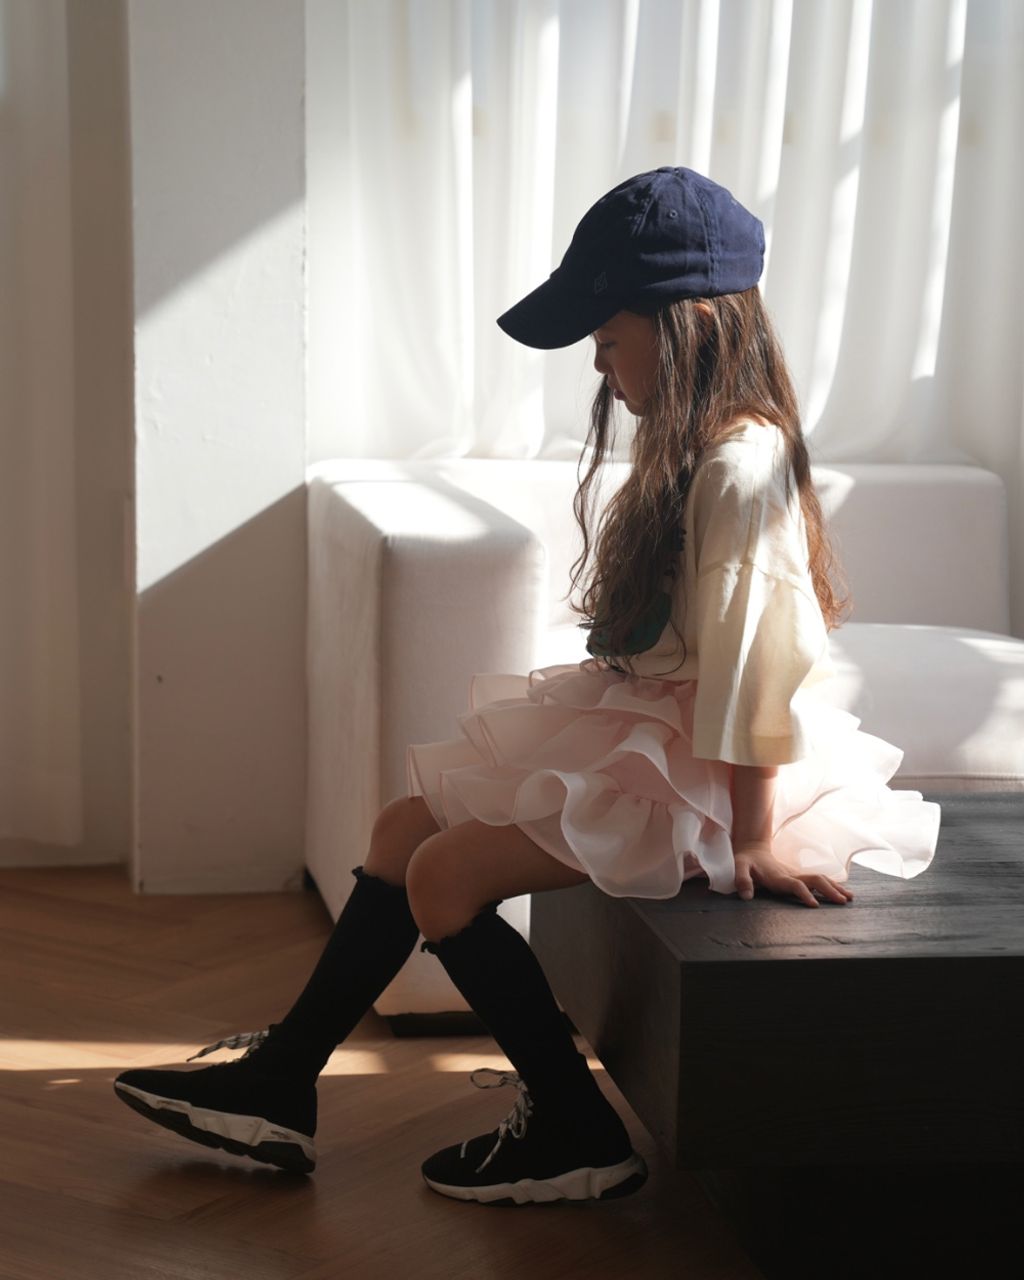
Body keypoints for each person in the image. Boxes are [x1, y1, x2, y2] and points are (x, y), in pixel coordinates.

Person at [113, 167, 942, 1206]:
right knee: (402, 829)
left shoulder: (741, 468)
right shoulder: (704, 447)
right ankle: (281, 1079)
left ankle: (574, 1127)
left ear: (685, 323)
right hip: (663, 736)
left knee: (443, 875)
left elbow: (756, 661)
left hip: (704, 774)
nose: (597, 360)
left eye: (608, 335)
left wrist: (752, 835)